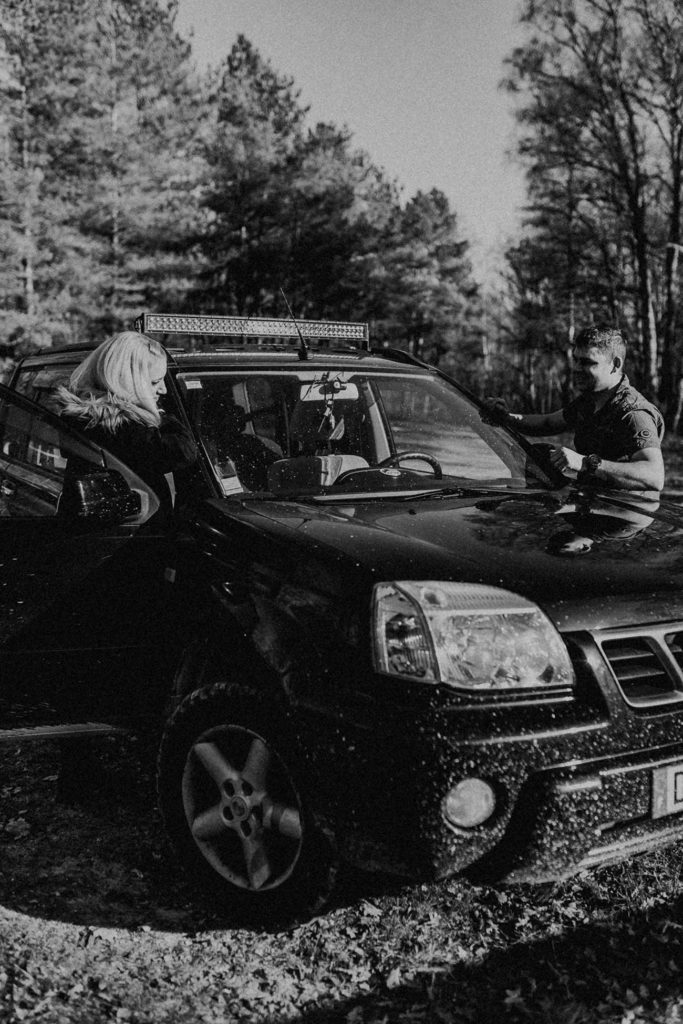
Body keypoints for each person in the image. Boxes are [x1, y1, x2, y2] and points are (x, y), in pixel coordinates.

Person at [486, 324, 665, 495]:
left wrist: (586, 463)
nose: (577, 368)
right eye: (576, 360)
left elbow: (654, 476)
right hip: (591, 507)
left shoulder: (634, 413)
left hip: (627, 515)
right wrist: (506, 417)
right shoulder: (589, 402)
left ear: (615, 364)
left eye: (587, 362)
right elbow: (547, 423)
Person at [56, 331, 197, 515]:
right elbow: (182, 451)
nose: (163, 389)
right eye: (155, 382)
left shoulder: (89, 421)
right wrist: (160, 416)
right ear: (127, 382)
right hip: (128, 539)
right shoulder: (118, 427)